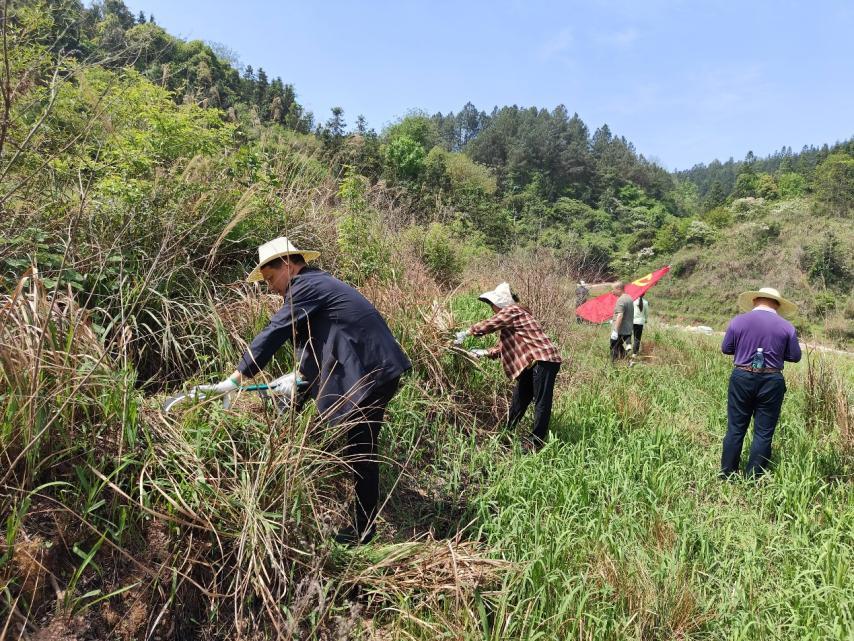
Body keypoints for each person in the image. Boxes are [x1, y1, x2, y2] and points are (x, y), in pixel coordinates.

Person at [192, 237, 411, 545]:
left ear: (288, 265)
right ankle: (364, 525)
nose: (270, 287)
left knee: (360, 451)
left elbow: (275, 331)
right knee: (360, 448)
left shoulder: (305, 286)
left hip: (371, 372)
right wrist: (297, 377)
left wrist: (236, 379)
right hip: (377, 370)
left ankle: (363, 532)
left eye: (270, 278)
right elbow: (316, 343)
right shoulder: (319, 286)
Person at [454, 283, 562, 450]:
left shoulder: (512, 311)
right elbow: (501, 348)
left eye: (492, 304)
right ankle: (507, 431)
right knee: (520, 397)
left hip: (544, 360)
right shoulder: (514, 319)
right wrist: (482, 352)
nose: (492, 308)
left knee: (541, 402)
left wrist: (466, 333)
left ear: (500, 303)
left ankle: (535, 443)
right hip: (532, 363)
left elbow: (489, 324)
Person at [720, 287, 801, 478]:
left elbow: (726, 348)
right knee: (763, 432)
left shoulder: (738, 321)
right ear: (778, 305)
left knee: (735, 428)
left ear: (755, 300)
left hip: (742, 376)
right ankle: (754, 477)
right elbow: (795, 356)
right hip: (772, 380)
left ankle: (727, 474)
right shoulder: (787, 327)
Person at [610, 282, 634, 362]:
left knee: (613, 348)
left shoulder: (621, 300)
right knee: (619, 346)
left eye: (613, 289)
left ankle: (614, 366)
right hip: (627, 329)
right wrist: (613, 319)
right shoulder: (629, 298)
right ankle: (628, 362)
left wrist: (615, 331)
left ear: (619, 289)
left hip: (620, 330)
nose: (612, 291)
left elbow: (620, 315)